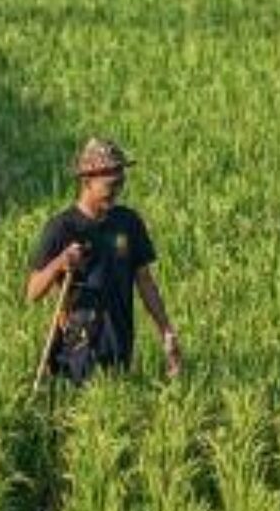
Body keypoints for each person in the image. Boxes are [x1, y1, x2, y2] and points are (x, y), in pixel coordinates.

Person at [27, 137, 181, 384]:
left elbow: (145, 282)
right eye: (111, 185)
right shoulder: (62, 228)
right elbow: (33, 292)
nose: (117, 191)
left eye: (121, 183)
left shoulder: (128, 223)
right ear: (87, 182)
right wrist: (60, 262)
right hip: (77, 346)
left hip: (120, 340)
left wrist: (166, 330)